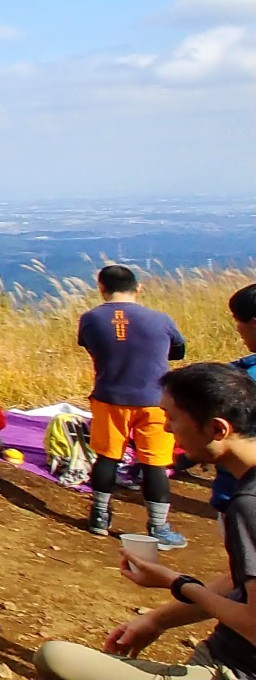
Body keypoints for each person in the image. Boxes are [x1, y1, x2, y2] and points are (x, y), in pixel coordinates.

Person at [33, 363, 256, 680]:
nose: (166, 429)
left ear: (218, 429)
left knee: (53, 657)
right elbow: (238, 581)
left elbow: (253, 626)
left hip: (236, 670)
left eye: (173, 418)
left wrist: (177, 583)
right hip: (226, 654)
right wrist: (157, 619)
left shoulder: (249, 504)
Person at [78, 264, 188, 548]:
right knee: (155, 463)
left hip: (109, 397)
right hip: (154, 401)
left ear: (101, 288)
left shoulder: (91, 318)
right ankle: (158, 528)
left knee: (107, 457)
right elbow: (178, 350)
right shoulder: (159, 319)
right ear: (138, 288)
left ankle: (99, 518)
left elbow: (90, 346)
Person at [208, 284, 256, 515]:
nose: (237, 328)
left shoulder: (243, 380)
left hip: (240, 496)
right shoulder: (243, 370)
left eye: (238, 321)